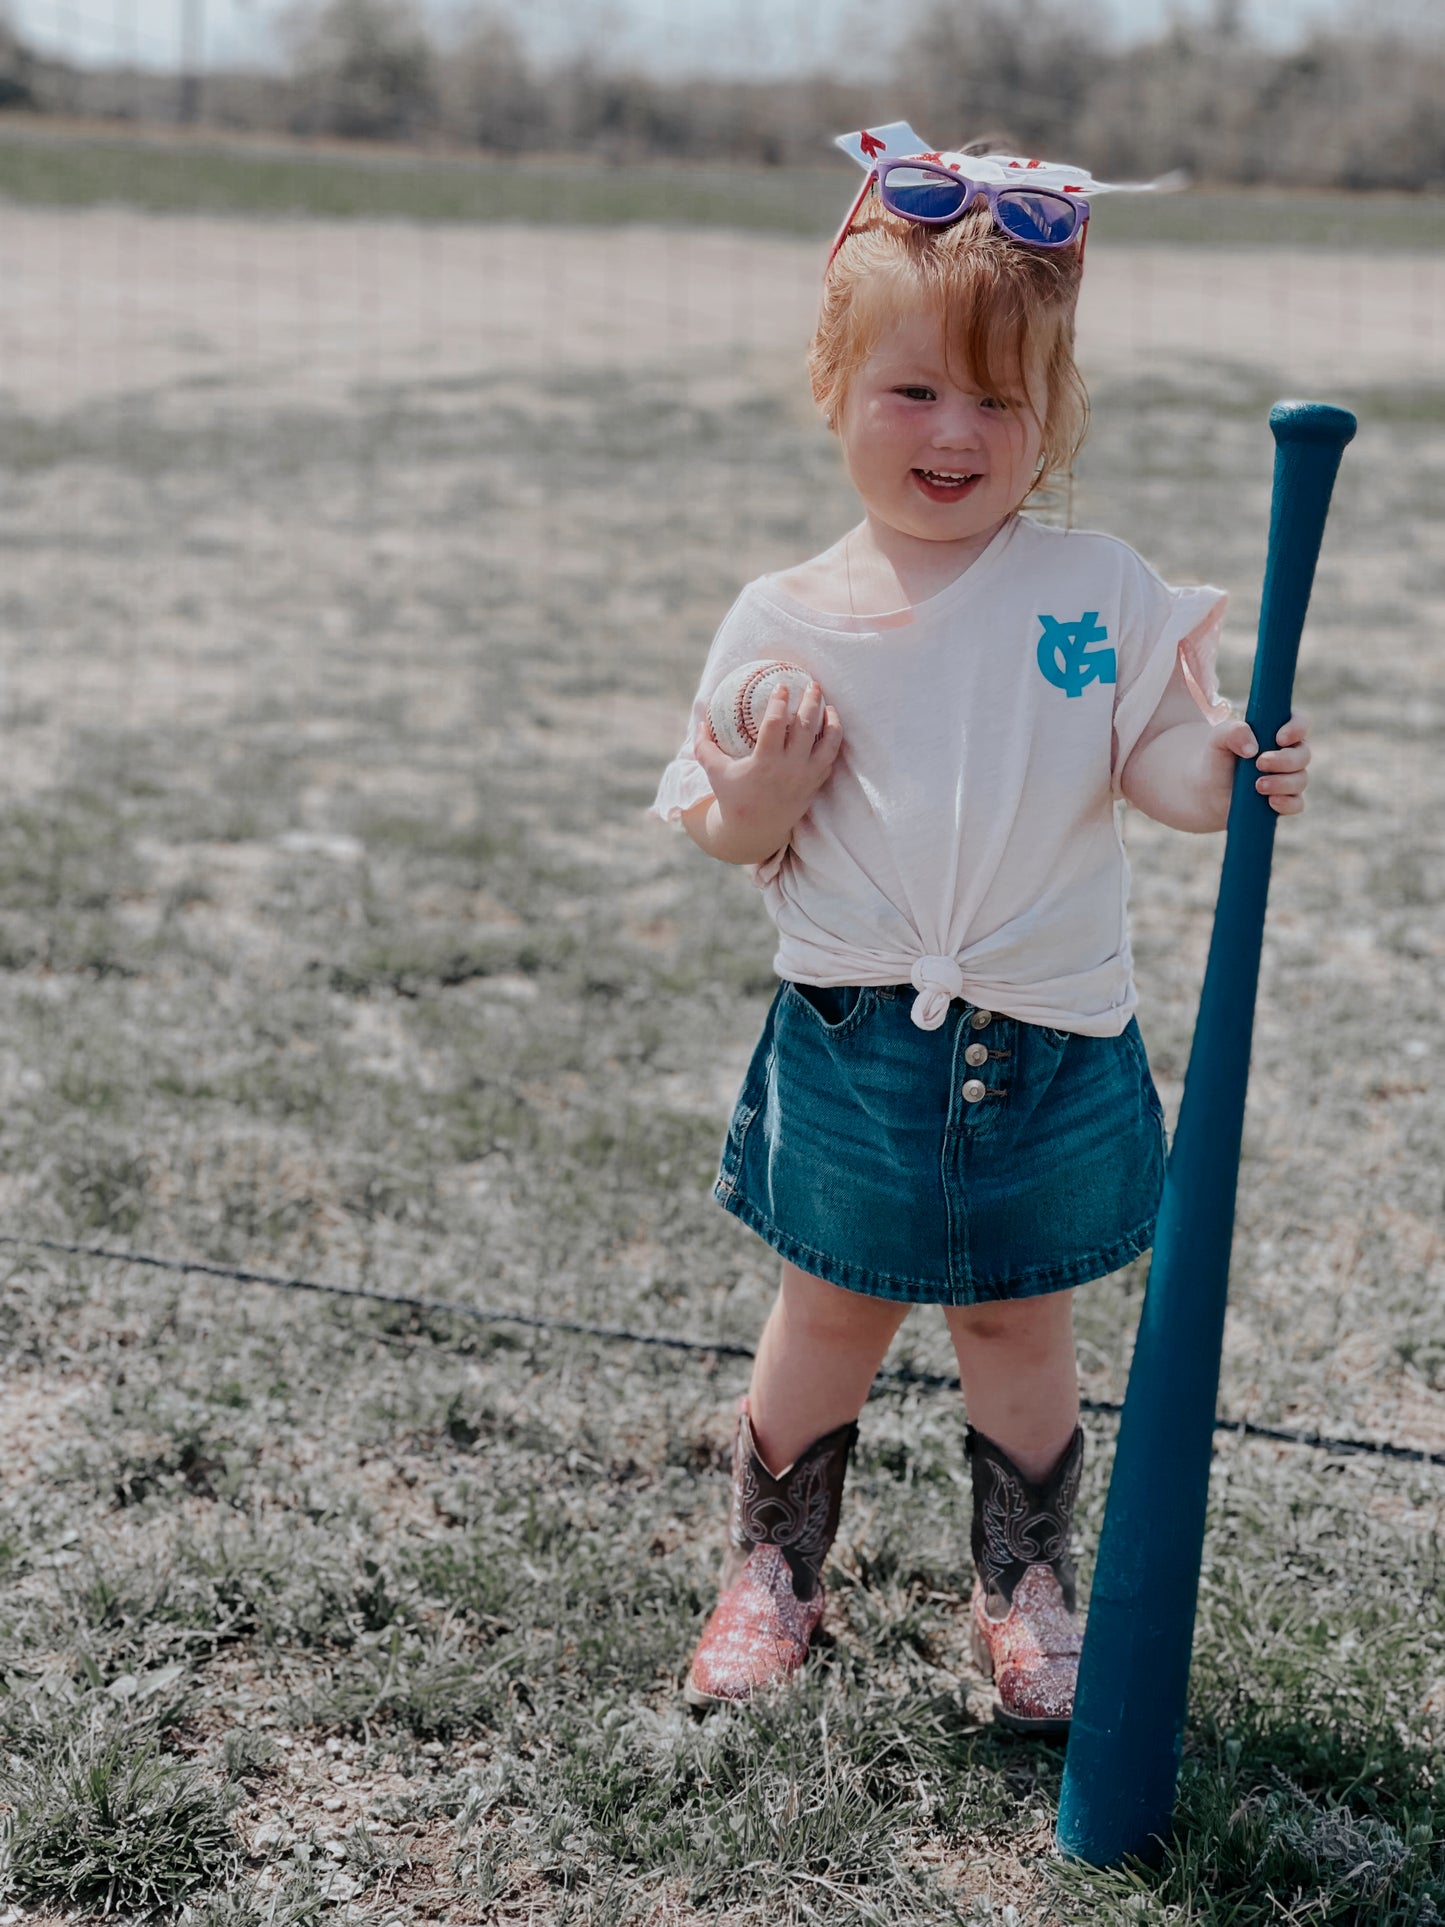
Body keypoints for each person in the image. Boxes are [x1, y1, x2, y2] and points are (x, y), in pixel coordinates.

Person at [647, 125, 1311, 1732]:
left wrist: (1221, 768)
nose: (957, 432)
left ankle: (1023, 1585)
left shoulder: (1088, 591)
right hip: (856, 1037)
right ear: (834, 386)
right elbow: (719, 823)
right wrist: (768, 786)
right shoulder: (782, 617)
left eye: (1000, 401)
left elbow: (1147, 760)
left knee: (1020, 1320)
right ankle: (774, 1570)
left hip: (1050, 1029)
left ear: (1051, 414)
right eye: (916, 391)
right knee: (830, 1309)